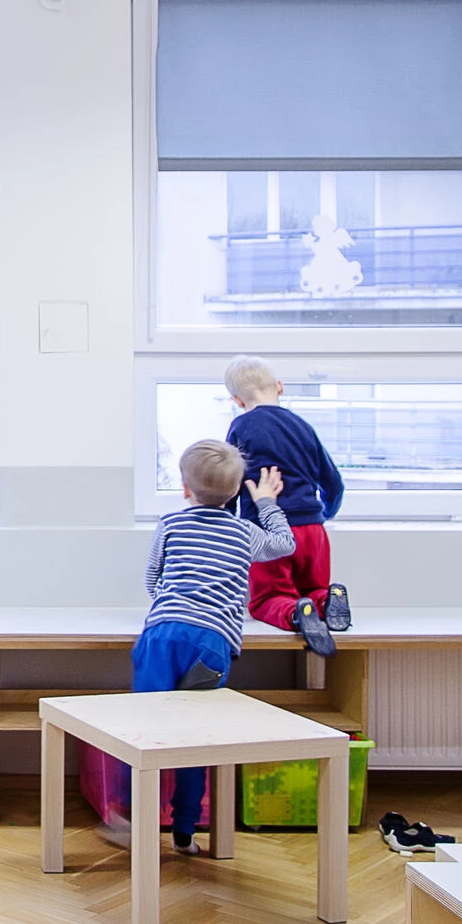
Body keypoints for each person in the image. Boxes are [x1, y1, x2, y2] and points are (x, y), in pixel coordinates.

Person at [116, 438, 296, 852]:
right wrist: (266, 502)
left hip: (162, 635)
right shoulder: (243, 530)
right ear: (235, 492)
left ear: (184, 487)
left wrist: (169, 600)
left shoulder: (171, 524)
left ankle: (128, 816)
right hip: (211, 644)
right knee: (193, 738)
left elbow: (152, 579)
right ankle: (184, 832)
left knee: (143, 730)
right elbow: (285, 544)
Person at [223, 354, 349, 657]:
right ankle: (327, 599)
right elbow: (334, 483)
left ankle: (295, 614)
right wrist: (324, 514)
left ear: (238, 401)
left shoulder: (241, 427)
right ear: (279, 387)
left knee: (268, 599)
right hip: (312, 531)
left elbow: (230, 482)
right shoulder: (303, 427)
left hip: (269, 534)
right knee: (313, 587)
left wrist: (225, 524)